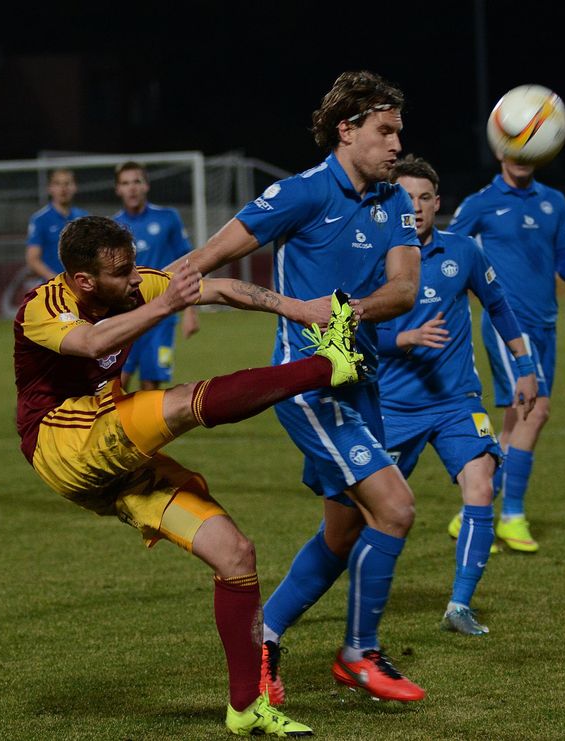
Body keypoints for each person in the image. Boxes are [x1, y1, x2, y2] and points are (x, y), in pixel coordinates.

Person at [13, 215, 366, 737]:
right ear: (84, 280)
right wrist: (164, 304)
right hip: (61, 441)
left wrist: (303, 310)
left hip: (112, 456)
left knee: (235, 554)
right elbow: (90, 343)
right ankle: (327, 367)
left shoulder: (132, 284)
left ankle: (246, 707)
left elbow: (219, 288)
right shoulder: (43, 307)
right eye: (122, 271)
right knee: (181, 403)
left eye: (134, 265)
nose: (136, 277)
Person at [171, 70, 425, 704]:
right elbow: (203, 259)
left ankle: (266, 639)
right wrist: (137, 304)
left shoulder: (394, 202)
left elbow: (405, 289)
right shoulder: (300, 193)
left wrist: (349, 312)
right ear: (347, 130)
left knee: (343, 532)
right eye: (385, 131)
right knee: (394, 509)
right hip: (310, 387)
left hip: (362, 382)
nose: (396, 145)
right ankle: (359, 654)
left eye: (400, 131)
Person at [376, 155, 538, 636]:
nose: (418, 206)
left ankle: (459, 606)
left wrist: (525, 369)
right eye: (407, 197)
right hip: (392, 407)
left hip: (457, 403)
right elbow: (352, 332)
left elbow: (500, 306)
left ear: (438, 203)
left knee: (482, 484)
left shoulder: (462, 251)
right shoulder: (374, 258)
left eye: (425, 197)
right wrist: (402, 339)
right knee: (363, 516)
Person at [447, 153, 565, 552]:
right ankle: (512, 515)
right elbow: (446, 247)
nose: (522, 158)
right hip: (508, 324)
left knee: (516, 424)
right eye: (515, 149)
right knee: (537, 410)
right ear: (499, 151)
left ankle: (470, 511)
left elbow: (563, 255)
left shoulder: (554, 201)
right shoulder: (481, 202)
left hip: (547, 323)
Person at [113, 161, 199, 391]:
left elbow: (187, 262)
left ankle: (146, 428)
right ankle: (113, 427)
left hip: (163, 312)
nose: (131, 188)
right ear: (118, 189)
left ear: (146, 186)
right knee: (117, 380)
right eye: (125, 183)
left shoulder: (168, 218)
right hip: (126, 314)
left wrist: (190, 311)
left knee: (151, 382)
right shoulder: (112, 227)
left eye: (136, 182)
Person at [25, 168, 88, 282]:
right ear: (50, 188)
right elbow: (32, 259)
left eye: (67, 183)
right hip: (53, 289)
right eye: (57, 183)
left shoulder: (84, 217)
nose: (63, 188)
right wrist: (57, 281)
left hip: (80, 286)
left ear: (75, 187)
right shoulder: (40, 219)